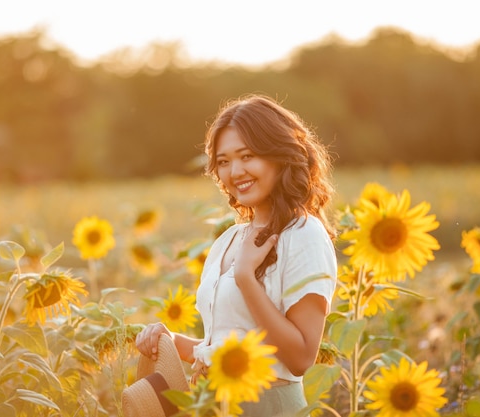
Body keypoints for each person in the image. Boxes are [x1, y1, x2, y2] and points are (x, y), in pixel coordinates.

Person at [135, 93, 337, 416]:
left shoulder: (303, 235)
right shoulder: (228, 240)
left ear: (279, 155)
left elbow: (299, 358)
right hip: (216, 406)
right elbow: (224, 346)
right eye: (225, 161)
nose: (236, 171)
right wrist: (169, 340)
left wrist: (246, 279)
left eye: (247, 156)